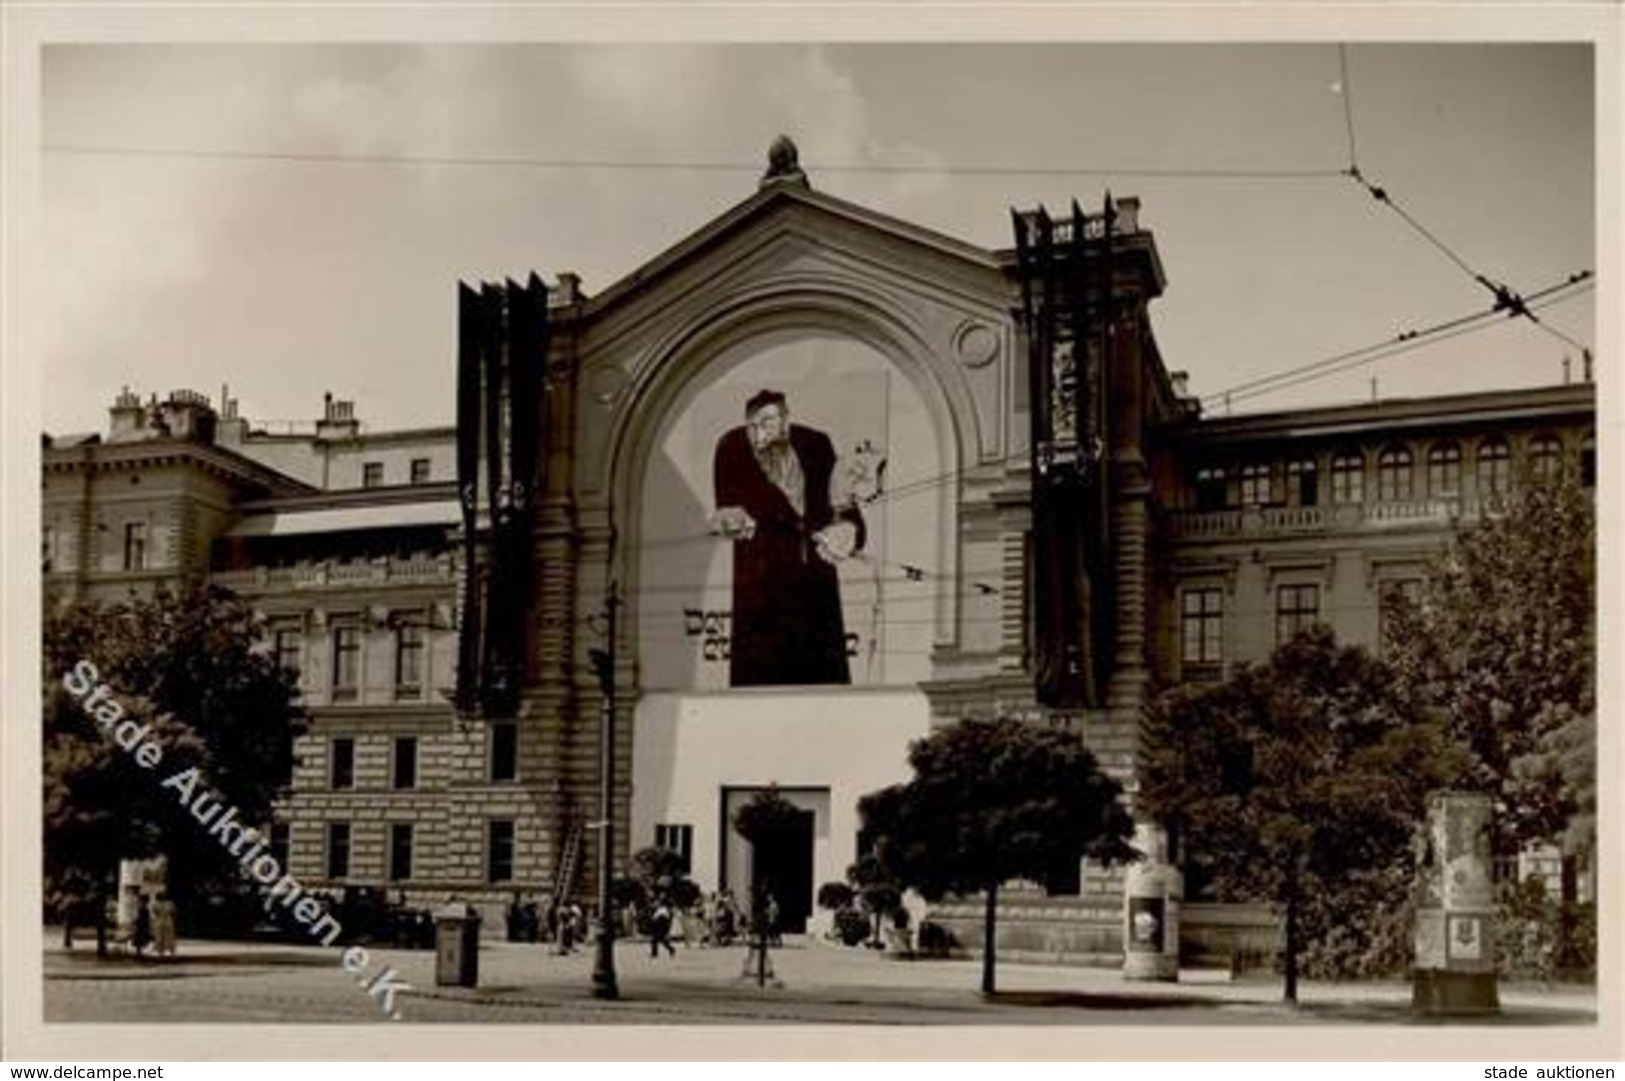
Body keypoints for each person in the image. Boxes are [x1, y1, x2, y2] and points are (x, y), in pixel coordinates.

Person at [711, 389, 865, 687]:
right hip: (762, 595)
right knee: (762, 693)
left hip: (816, 592)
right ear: (749, 425)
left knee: (822, 690)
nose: (776, 427)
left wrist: (848, 530)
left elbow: (845, 507)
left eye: (781, 418)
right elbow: (726, 507)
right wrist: (731, 520)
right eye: (765, 421)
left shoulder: (816, 445)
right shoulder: (731, 449)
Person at [151, 891, 178, 958]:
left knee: (161, 936)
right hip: (167, 920)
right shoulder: (170, 903)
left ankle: (161, 952)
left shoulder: (156, 904)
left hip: (160, 920)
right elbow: (174, 912)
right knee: (168, 936)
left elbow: (155, 913)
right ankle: (170, 951)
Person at [131, 894, 153, 959]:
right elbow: (141, 917)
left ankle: (139, 953)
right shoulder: (142, 908)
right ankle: (138, 953)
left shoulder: (142, 907)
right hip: (141, 924)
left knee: (140, 938)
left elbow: (140, 917)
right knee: (140, 938)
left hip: (142, 924)